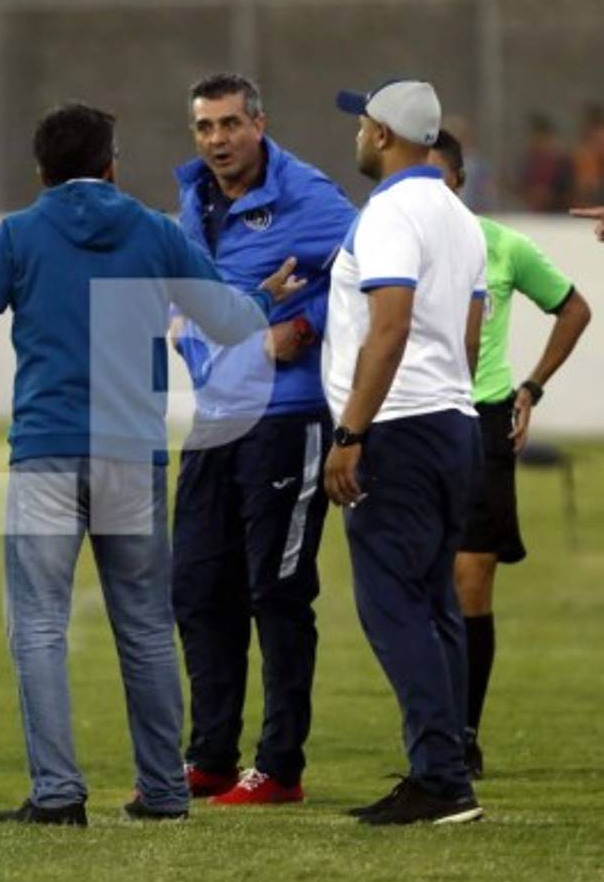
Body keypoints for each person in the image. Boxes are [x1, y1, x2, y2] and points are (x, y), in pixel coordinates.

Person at [0, 102, 306, 826]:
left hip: (46, 454)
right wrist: (262, 294)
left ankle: (58, 794)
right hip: (131, 453)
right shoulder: (155, 232)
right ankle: (161, 792)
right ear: (111, 164)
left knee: (36, 627)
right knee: (147, 629)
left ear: (40, 171)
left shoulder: (19, 235)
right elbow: (228, 324)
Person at [171, 73, 356, 805]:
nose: (215, 140)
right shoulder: (192, 197)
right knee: (196, 589)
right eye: (203, 127)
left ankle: (279, 767)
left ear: (258, 123)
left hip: (286, 416)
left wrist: (303, 328)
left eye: (227, 125)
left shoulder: (311, 198)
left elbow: (376, 284)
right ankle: (210, 755)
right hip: (215, 418)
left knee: (275, 593)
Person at [324, 78, 487, 825]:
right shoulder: (459, 216)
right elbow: (468, 336)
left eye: (362, 124)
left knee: (392, 608)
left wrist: (353, 431)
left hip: (400, 427)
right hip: (452, 421)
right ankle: (446, 767)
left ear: (384, 134)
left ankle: (439, 778)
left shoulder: (390, 211)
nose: (356, 135)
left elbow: (387, 327)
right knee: (434, 608)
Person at [429, 130, 592, 778]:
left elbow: (573, 308)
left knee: (470, 580)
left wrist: (532, 386)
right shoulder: (390, 249)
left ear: (459, 183)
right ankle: (430, 732)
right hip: (414, 421)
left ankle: (462, 735)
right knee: (421, 587)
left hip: (481, 420)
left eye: (439, 179)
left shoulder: (500, 246)